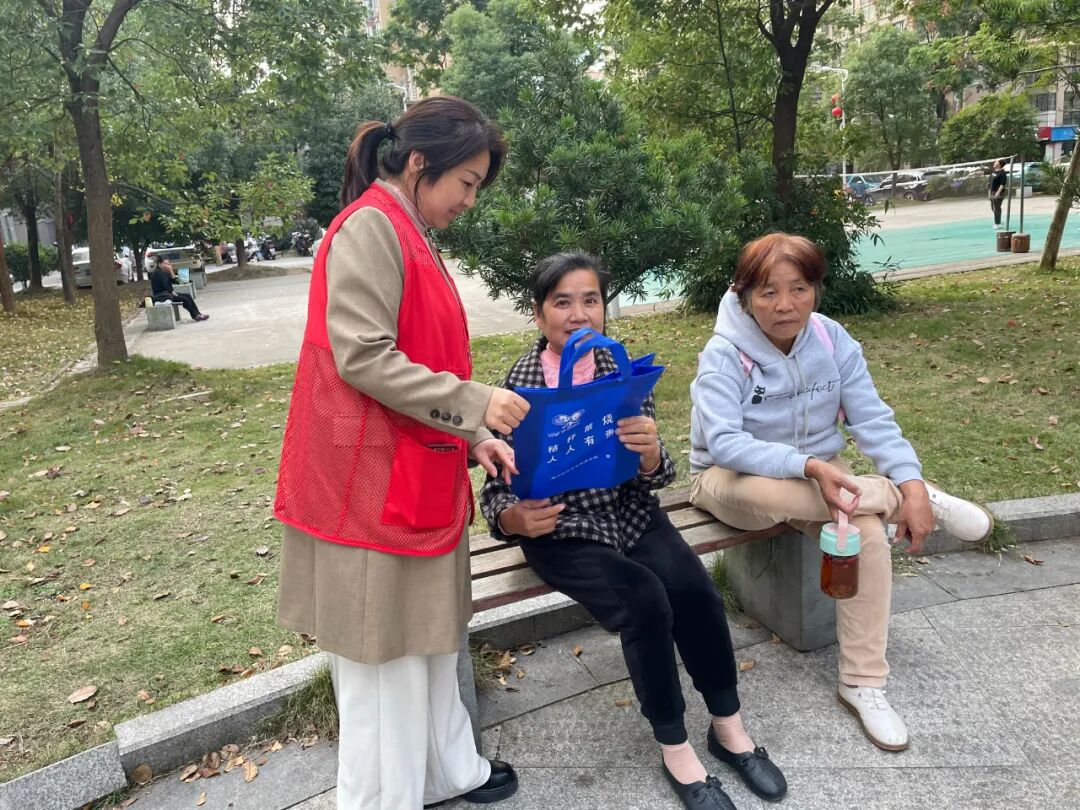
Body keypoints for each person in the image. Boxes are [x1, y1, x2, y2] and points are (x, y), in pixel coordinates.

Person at [273, 96, 529, 810]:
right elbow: (362, 356)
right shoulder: (370, 227)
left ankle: (446, 772)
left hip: (411, 467)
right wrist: (477, 404)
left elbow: (422, 355)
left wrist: (475, 436)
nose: (469, 200)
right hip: (366, 481)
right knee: (382, 660)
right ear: (419, 162)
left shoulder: (406, 228)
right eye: (466, 183)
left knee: (426, 641)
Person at [480, 252, 788, 810]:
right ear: (539, 314)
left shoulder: (620, 372)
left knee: (694, 588)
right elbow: (496, 489)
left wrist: (649, 455)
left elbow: (658, 472)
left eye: (590, 300)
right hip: (561, 529)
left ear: (604, 307)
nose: (579, 314)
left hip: (630, 513)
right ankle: (676, 748)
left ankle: (728, 727)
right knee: (644, 598)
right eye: (562, 302)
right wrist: (513, 519)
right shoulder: (519, 388)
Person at [688, 233, 994, 753]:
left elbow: (872, 420)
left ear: (816, 289)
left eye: (799, 289)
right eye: (768, 292)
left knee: (867, 536)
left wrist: (906, 474)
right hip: (730, 478)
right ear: (744, 295)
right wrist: (809, 466)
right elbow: (725, 443)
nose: (785, 305)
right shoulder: (725, 355)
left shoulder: (831, 340)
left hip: (824, 478)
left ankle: (862, 682)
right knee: (781, 496)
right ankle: (901, 497)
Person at [149, 256, 208, 321]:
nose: (167, 266)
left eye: (168, 264)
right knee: (184, 299)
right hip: (163, 296)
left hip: (167, 293)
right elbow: (164, 285)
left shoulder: (163, 272)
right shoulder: (158, 273)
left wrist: (171, 270)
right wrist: (172, 292)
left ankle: (198, 313)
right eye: (165, 264)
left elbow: (175, 281)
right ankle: (196, 316)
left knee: (188, 296)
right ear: (160, 264)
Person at [989, 160, 1007, 229]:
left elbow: (1002, 184)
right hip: (992, 192)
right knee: (993, 208)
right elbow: (990, 183)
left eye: (996, 162)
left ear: (999, 164)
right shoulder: (994, 171)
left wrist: (998, 192)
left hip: (999, 193)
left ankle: (997, 223)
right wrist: (989, 192)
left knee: (997, 208)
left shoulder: (1002, 173)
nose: (994, 163)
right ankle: (999, 220)